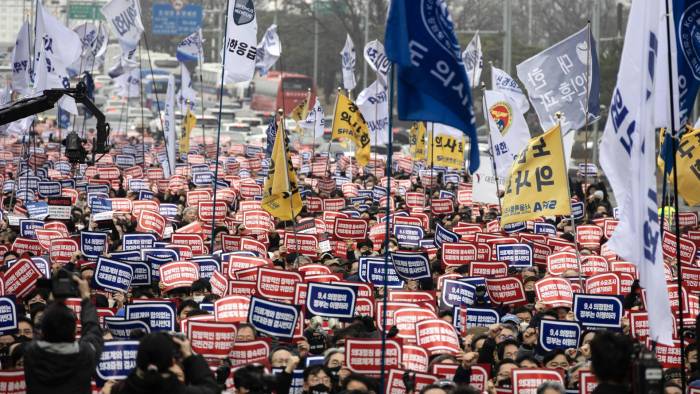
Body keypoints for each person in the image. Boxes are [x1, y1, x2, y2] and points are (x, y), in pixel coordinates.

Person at [23, 276, 104, 394]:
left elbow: (41, 327)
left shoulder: (31, 353)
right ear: (74, 331)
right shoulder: (85, 354)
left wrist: (52, 300)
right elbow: (93, 329)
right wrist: (86, 297)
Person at [105, 332, 217, 394]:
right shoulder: (178, 391)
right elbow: (211, 389)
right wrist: (190, 357)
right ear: (172, 361)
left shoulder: (118, 390)